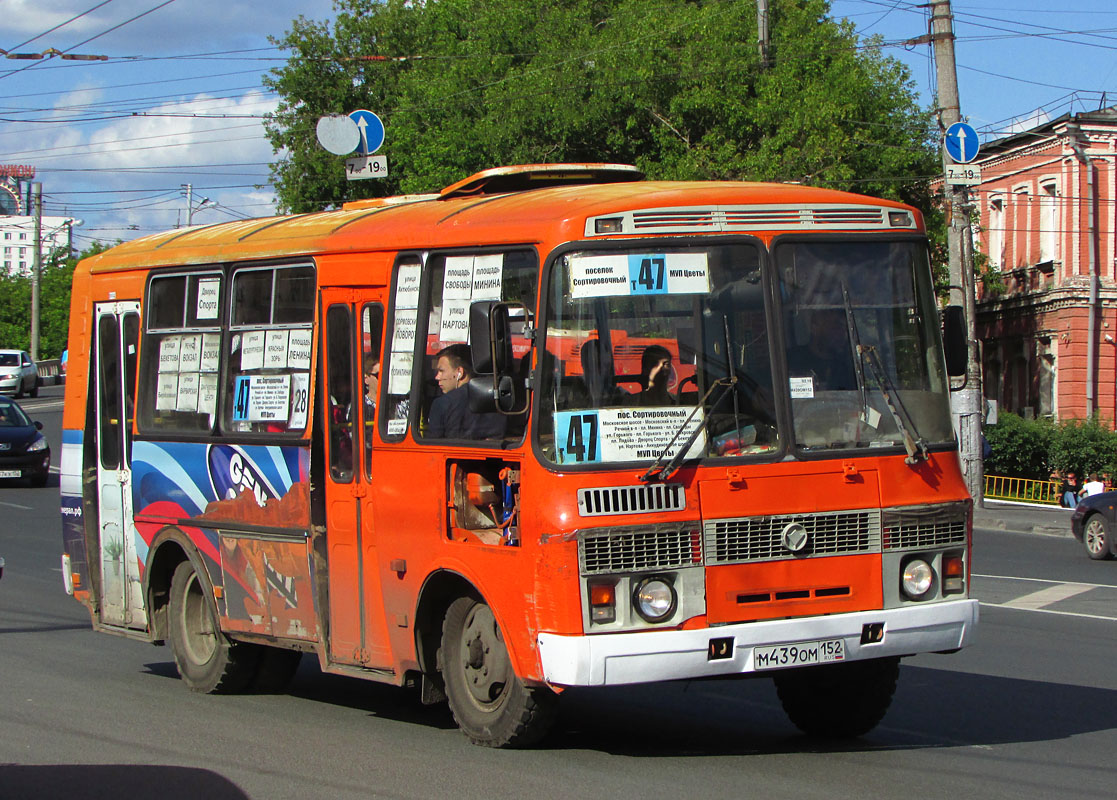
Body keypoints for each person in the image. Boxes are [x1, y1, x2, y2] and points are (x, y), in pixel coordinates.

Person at [427, 344, 506, 440]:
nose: (437, 377)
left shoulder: (442, 404)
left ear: (459, 372)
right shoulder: (497, 400)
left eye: (441, 371)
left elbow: (433, 446)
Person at [786, 308, 858, 391]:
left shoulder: (847, 367)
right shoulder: (789, 361)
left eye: (846, 329)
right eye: (837, 327)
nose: (844, 334)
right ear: (814, 327)